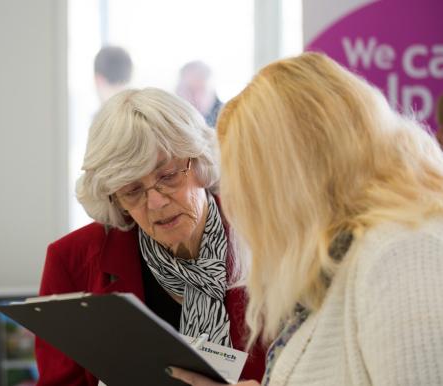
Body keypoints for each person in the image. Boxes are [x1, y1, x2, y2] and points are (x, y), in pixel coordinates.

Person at [168, 52, 443, 385]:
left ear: (292, 180)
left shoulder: (400, 254)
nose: (240, 207)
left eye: (248, 183)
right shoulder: (346, 257)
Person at [35, 87, 266, 386]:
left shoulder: (267, 238)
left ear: (199, 161)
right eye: (132, 191)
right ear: (115, 199)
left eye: (168, 175)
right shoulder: (72, 261)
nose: (155, 202)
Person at [176, 60, 222, 127]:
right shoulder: (170, 118)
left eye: (201, 90)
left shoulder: (229, 117)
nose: (196, 98)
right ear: (179, 91)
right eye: (190, 91)